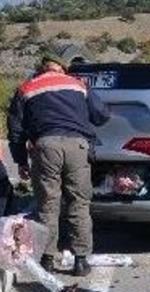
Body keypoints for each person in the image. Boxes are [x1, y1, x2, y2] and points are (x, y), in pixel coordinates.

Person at [7, 47, 110, 277]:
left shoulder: (27, 87)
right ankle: (81, 261)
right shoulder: (78, 84)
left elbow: (15, 130)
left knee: (47, 206)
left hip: (46, 147)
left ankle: (47, 259)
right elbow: (102, 115)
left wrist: (21, 161)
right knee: (79, 203)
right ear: (63, 67)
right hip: (77, 146)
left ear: (42, 67)